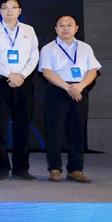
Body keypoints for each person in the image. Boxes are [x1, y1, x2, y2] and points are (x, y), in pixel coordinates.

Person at [0, 0, 39, 180]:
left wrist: (22, 75)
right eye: (5, 7)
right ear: (0, 11)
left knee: (23, 126)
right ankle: (3, 167)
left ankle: (21, 168)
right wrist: (9, 74)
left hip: (24, 83)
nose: (9, 11)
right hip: (0, 83)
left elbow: (34, 56)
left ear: (19, 11)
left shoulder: (29, 30)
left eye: (13, 7)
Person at [39, 15, 101, 183]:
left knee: (77, 131)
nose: (65, 28)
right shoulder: (48, 48)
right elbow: (47, 72)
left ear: (76, 28)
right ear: (56, 29)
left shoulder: (85, 48)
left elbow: (93, 70)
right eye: (61, 25)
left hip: (80, 90)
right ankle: (54, 168)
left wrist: (81, 86)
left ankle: (75, 169)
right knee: (54, 131)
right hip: (57, 90)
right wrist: (68, 87)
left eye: (69, 25)